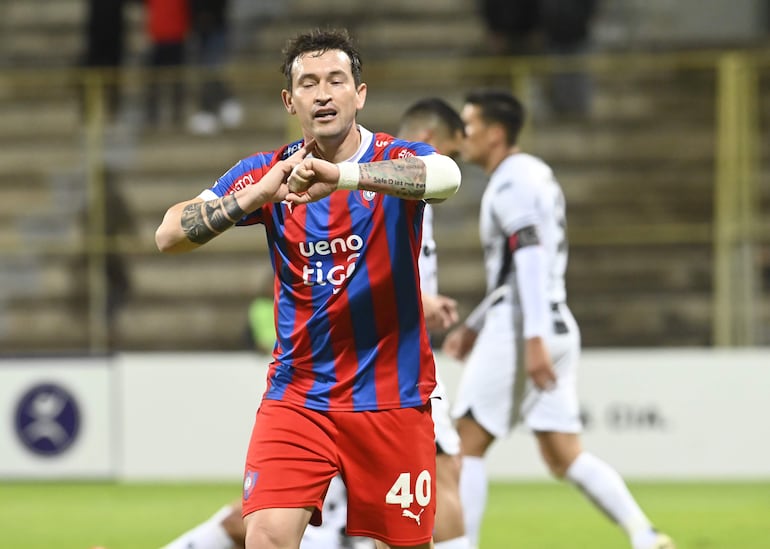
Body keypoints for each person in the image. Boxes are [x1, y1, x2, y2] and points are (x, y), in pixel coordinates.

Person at [155, 27, 461, 549]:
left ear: (359, 94)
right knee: (267, 536)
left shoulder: (393, 157)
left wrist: (343, 176)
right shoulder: (266, 171)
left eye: (337, 81)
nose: (323, 93)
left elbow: (447, 176)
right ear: (289, 101)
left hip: (393, 399)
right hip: (299, 397)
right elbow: (169, 234)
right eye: (309, 83)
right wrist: (256, 196)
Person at [441, 89, 675, 549]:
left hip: (525, 325)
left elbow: (527, 252)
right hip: (556, 319)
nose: (461, 136)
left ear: (495, 133)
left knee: (463, 446)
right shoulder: (536, 174)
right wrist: (477, 323)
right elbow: (522, 265)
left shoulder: (510, 181)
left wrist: (531, 339)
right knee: (563, 454)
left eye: (468, 126)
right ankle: (644, 534)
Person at [187, 0, 244, 135]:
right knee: (206, 73)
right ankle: (209, 109)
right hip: (200, 31)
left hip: (217, 27)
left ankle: (221, 104)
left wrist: (209, 16)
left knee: (214, 71)